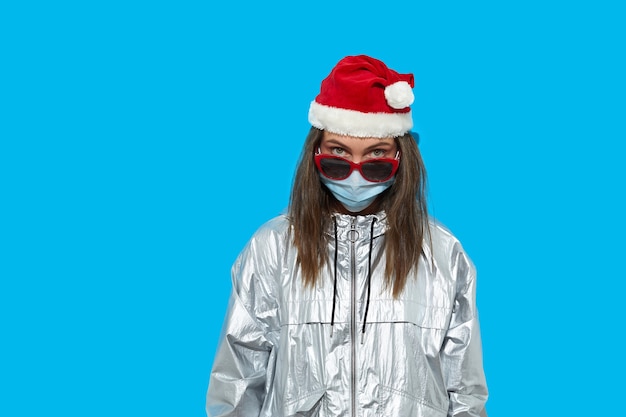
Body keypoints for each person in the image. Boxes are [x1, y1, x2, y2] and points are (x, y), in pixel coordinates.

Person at [206, 55, 488, 417]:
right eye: (338, 157)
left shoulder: (442, 254)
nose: (355, 177)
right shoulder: (272, 249)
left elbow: (464, 392)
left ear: (402, 158)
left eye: (376, 160)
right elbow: (237, 383)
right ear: (316, 153)